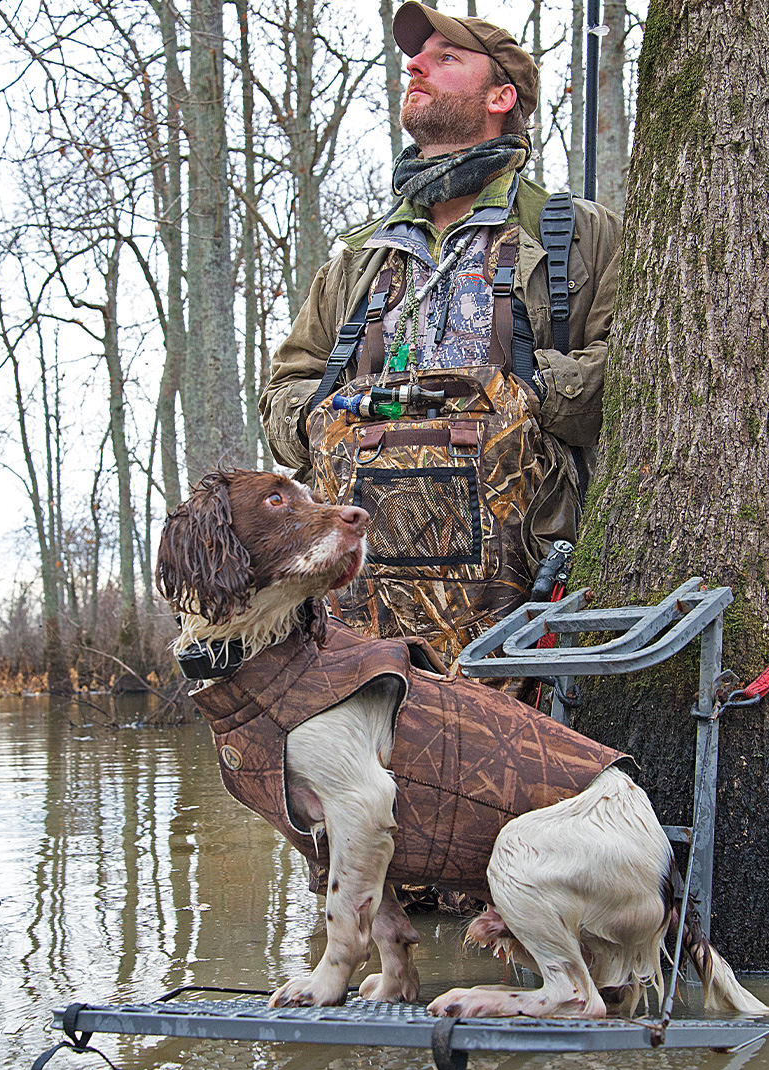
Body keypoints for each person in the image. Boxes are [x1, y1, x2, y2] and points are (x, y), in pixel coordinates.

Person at [259, 1, 621, 669]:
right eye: (415, 60)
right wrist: (326, 416)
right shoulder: (359, 256)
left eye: (446, 58)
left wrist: (513, 397)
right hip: (358, 595)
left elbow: (625, 375)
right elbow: (288, 385)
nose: (415, 65)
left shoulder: (577, 233)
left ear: (500, 97)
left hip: (520, 597)